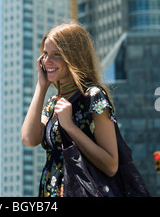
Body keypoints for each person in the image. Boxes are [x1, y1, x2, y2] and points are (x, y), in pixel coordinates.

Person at [21, 21, 118, 197]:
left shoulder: (94, 96)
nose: (47, 61)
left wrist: (70, 127)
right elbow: (29, 139)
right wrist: (41, 87)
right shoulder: (52, 103)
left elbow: (111, 165)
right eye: (45, 54)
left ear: (73, 57)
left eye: (56, 55)